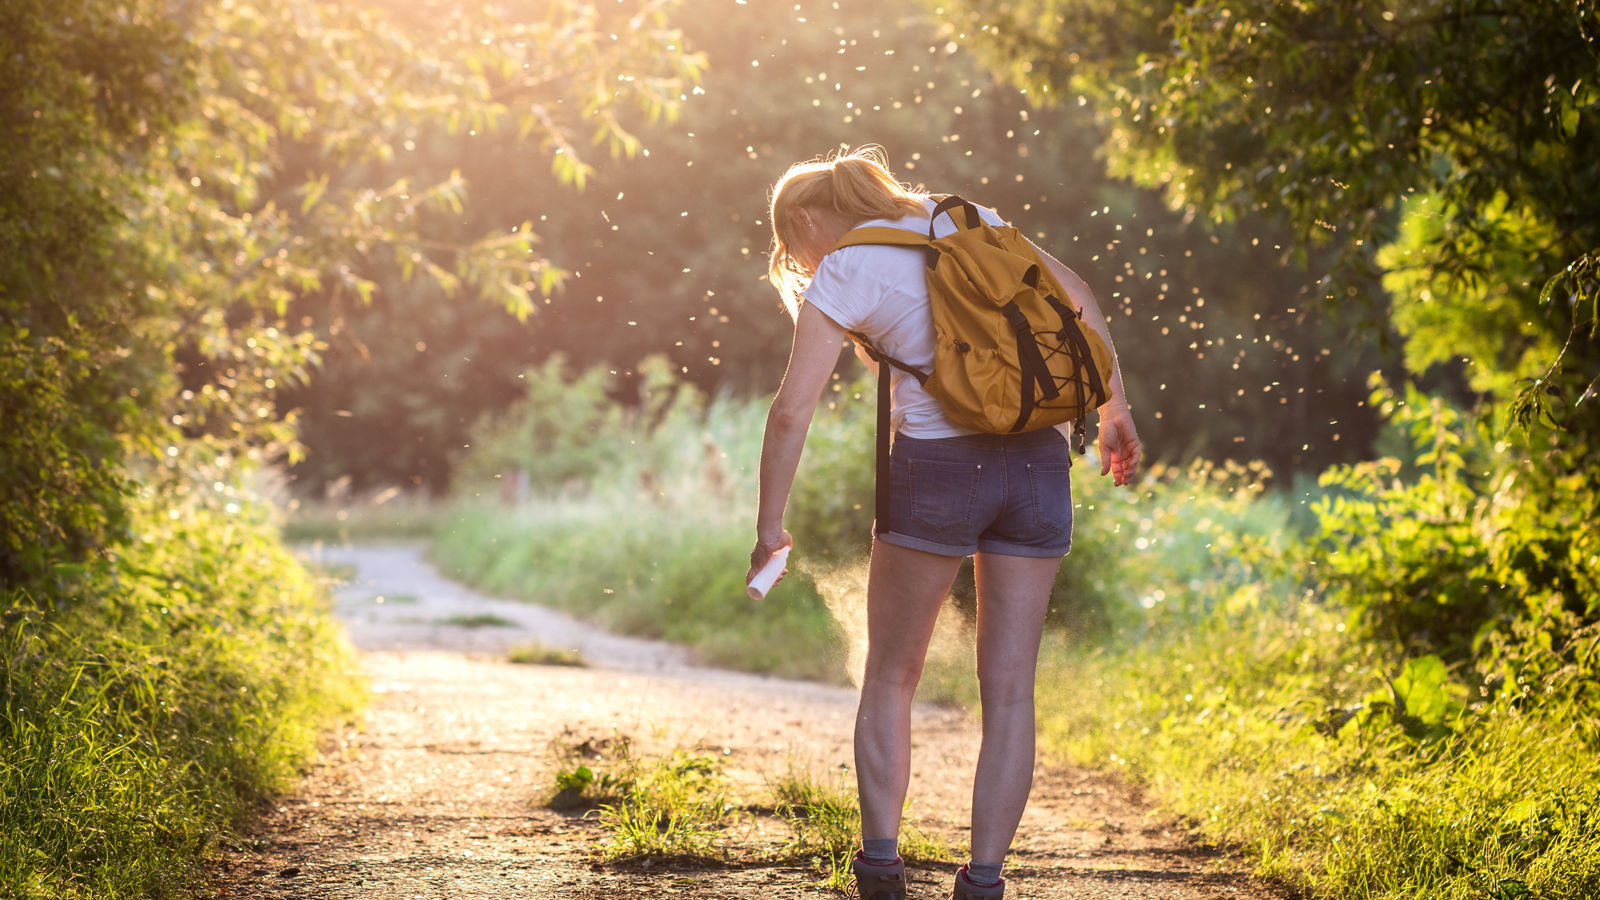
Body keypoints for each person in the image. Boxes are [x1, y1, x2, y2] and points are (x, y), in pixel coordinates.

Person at [747, 146, 1141, 900]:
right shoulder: (971, 218)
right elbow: (1079, 296)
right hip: (1037, 468)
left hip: (936, 471)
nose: (797, 262)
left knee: (892, 675)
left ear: (805, 221)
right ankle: (984, 880)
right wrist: (1114, 410)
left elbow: (792, 408)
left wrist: (771, 527)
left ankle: (883, 869)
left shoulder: (847, 267)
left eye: (790, 249)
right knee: (1011, 691)